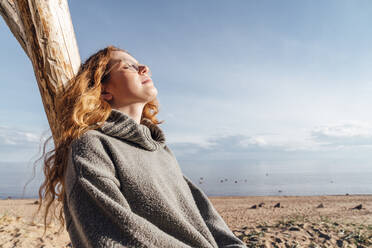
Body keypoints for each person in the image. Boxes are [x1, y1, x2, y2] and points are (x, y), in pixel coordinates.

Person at [35, 45, 247, 248]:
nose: (145, 69)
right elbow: (110, 237)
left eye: (140, 65)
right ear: (104, 91)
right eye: (128, 66)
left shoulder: (160, 150)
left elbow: (204, 216)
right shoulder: (92, 146)